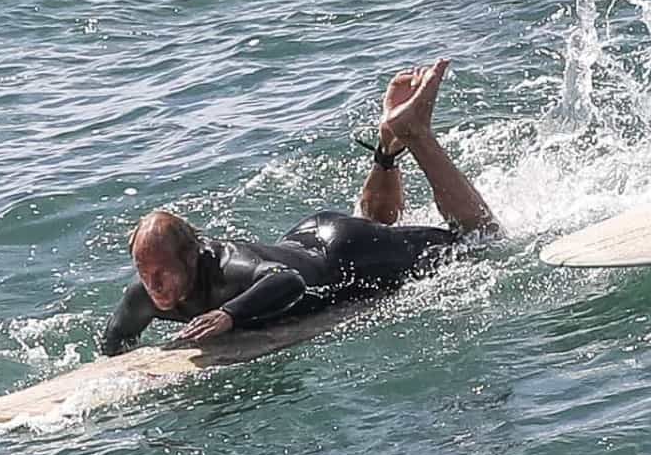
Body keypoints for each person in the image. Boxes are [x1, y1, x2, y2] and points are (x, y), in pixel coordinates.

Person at [99, 59, 495, 355]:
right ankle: (387, 149)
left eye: (161, 273)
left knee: (479, 240)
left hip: (342, 254)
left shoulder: (225, 268)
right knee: (379, 224)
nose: (154, 286)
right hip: (308, 237)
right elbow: (116, 340)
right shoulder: (145, 294)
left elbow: (288, 281)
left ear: (191, 255)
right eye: (145, 273)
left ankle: (416, 135)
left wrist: (229, 315)